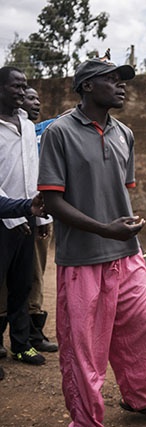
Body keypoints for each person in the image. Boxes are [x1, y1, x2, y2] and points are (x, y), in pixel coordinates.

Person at [37, 53, 146, 426]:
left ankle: (140, 398)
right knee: (85, 352)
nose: (122, 85)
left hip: (126, 256)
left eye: (123, 80)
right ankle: (86, 419)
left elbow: (122, 199)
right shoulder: (59, 132)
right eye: (112, 79)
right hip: (81, 260)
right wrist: (104, 229)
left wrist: (140, 253)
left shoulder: (124, 133)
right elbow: (52, 201)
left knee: (144, 333)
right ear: (87, 86)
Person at [0, 66, 48, 367]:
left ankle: (21, 345)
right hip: (4, 219)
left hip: (27, 219)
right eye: (15, 87)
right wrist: (15, 216)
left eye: (25, 86)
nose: (22, 92)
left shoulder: (28, 126)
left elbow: (33, 175)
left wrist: (38, 218)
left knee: (22, 285)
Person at [19, 86, 58, 352]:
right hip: (11, 213)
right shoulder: (11, 133)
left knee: (35, 273)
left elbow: (69, 115)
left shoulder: (42, 132)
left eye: (38, 98)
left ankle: (33, 331)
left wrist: (44, 220)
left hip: (39, 215)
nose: (37, 103)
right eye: (31, 98)